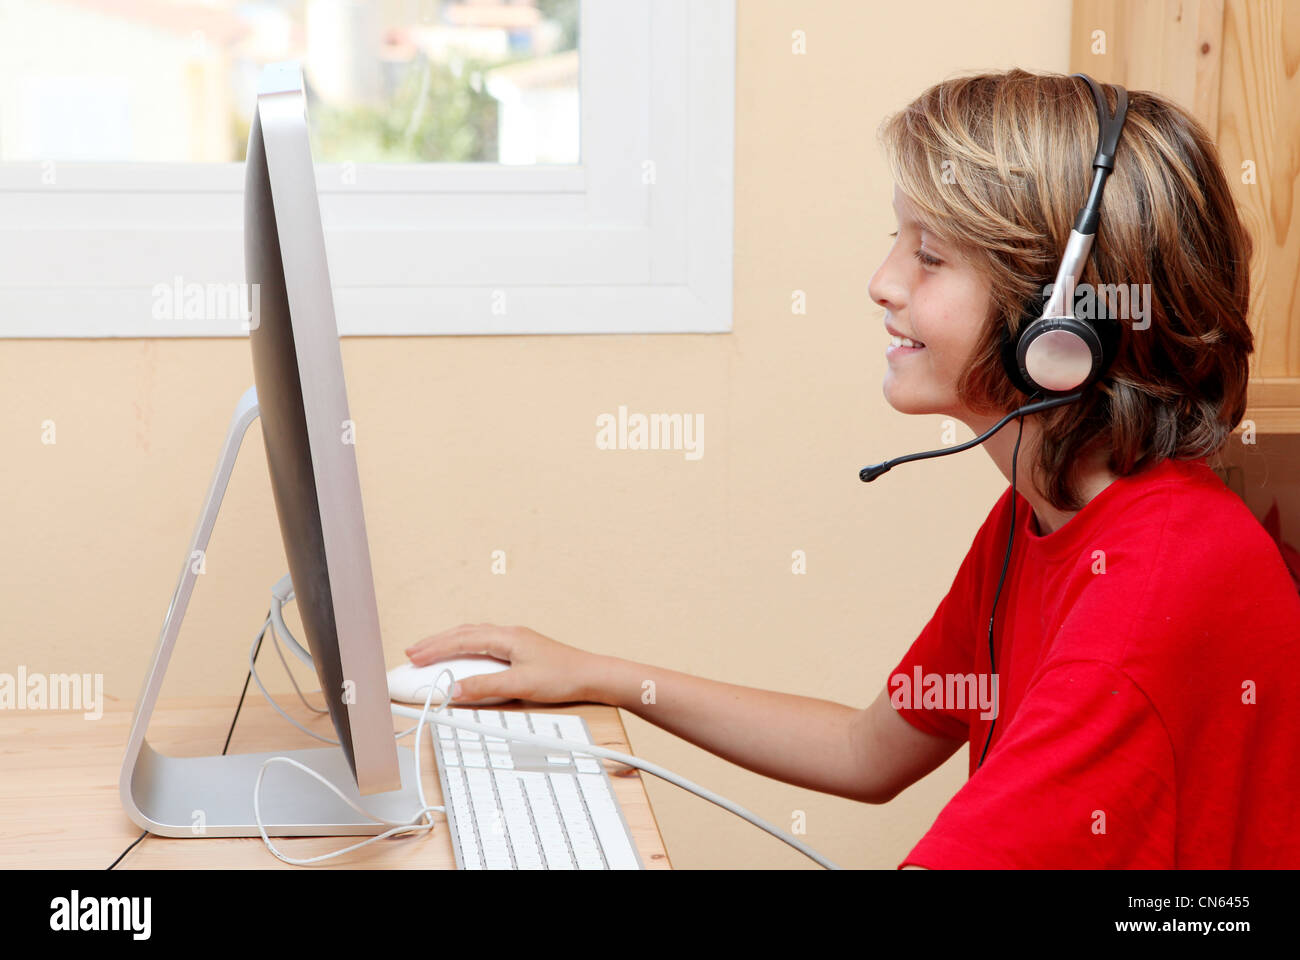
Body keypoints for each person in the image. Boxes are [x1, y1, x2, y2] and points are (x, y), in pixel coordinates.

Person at [405, 69, 1300, 868]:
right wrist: (602, 676)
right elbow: (867, 751)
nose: (882, 280)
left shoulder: (1144, 601)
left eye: (931, 255)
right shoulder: (1056, 510)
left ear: (1061, 321)